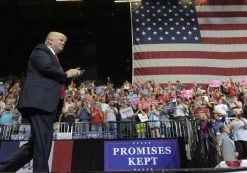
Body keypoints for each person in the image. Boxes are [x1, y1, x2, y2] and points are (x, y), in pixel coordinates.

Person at [0, 31, 83, 172]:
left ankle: (3, 168)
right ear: (50, 41)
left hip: (46, 105)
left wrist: (71, 74)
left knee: (35, 145)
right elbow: (46, 68)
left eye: (65, 41)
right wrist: (66, 73)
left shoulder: (54, 57)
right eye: (61, 40)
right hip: (40, 104)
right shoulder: (41, 50)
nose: (63, 43)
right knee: (43, 144)